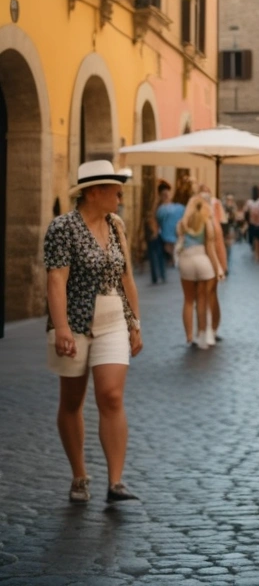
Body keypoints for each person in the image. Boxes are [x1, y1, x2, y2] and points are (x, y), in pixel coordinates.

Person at [45, 160, 144, 504]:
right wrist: (61, 328)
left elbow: (126, 276)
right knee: (72, 401)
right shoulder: (62, 228)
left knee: (112, 396)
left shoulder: (116, 225)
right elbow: (56, 281)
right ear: (95, 191)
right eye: (115, 189)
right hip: (74, 322)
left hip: (113, 318)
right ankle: (79, 475)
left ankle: (115, 482)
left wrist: (135, 323)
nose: (120, 194)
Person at [176, 195, 224, 349]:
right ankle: (204, 334)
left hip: (186, 260)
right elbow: (210, 248)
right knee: (203, 300)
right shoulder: (207, 223)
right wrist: (218, 269)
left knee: (189, 300)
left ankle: (190, 336)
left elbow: (179, 240)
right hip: (203, 260)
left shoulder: (183, 223)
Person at [198, 183, 228, 339]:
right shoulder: (198, 216)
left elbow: (218, 242)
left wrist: (221, 266)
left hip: (213, 260)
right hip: (203, 261)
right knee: (203, 296)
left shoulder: (212, 215)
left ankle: (212, 329)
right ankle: (205, 329)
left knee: (211, 295)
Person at [146, 180, 171, 284]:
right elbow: (151, 218)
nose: (167, 196)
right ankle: (156, 276)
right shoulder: (157, 204)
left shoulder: (165, 205)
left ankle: (161, 275)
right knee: (154, 254)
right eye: (165, 194)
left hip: (160, 232)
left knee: (160, 254)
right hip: (154, 232)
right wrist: (154, 231)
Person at [155, 184, 185, 268]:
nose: (166, 196)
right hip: (168, 233)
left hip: (174, 232)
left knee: (173, 246)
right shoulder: (161, 209)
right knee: (171, 246)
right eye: (164, 195)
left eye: (167, 194)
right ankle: (173, 259)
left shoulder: (178, 207)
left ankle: (174, 260)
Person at [244, 188, 259, 263]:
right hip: (253, 223)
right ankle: (257, 254)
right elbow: (246, 212)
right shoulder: (249, 202)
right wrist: (248, 221)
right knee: (255, 240)